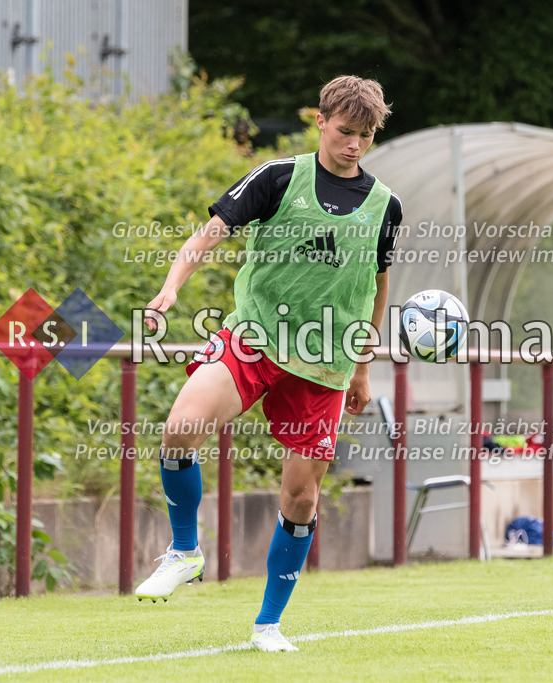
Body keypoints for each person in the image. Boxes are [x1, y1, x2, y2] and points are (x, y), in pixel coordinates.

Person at [135, 75, 403, 653]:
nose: (353, 144)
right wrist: (172, 286)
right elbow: (211, 233)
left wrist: (362, 367)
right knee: (180, 428)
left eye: (365, 135)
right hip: (254, 337)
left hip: (326, 361)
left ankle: (267, 625)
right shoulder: (278, 178)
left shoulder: (386, 206)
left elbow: (377, 286)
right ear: (322, 122)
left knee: (300, 499)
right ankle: (184, 552)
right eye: (344, 131)